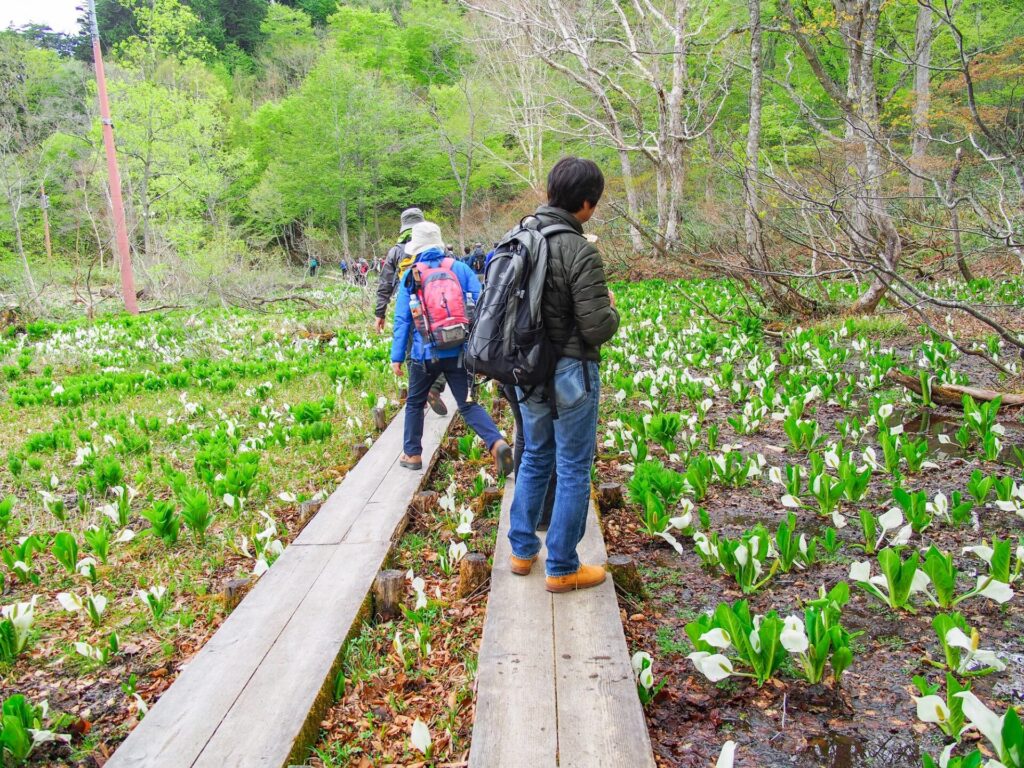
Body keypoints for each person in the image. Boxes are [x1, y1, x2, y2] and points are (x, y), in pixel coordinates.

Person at [506, 156, 619, 593]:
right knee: (572, 467)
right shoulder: (579, 249)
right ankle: (562, 567)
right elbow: (596, 328)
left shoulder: (519, 237)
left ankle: (520, 552)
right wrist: (612, 308)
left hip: (527, 370)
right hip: (571, 371)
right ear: (586, 204)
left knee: (535, 455)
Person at [391, 221, 514, 476]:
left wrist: (396, 357)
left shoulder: (411, 274)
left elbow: (402, 319)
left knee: (414, 403)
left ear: (417, 248)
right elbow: (482, 305)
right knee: (467, 404)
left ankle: (412, 454)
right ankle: (496, 442)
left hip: (424, 354)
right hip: (459, 350)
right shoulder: (459, 268)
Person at [376, 207, 447, 416]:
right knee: (442, 347)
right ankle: (435, 386)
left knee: (411, 352)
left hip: (409, 307)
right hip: (437, 306)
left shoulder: (396, 251)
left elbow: (385, 283)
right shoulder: (434, 245)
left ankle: (418, 393)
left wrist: (379, 313)